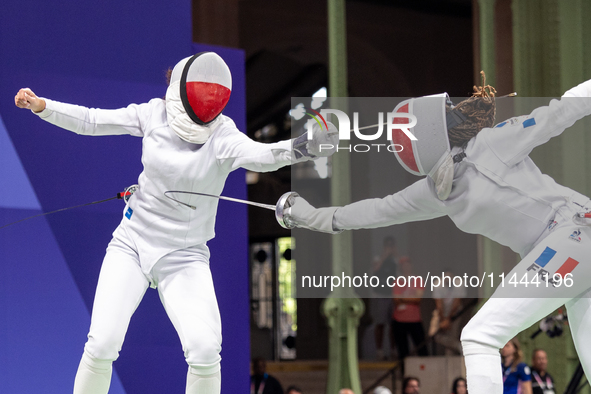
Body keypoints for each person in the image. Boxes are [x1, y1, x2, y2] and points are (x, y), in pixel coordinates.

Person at [14, 52, 337, 394]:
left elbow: (262, 155)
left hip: (185, 256)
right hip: (132, 244)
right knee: (102, 343)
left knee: (204, 349)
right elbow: (93, 121)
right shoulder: (154, 113)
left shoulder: (223, 135)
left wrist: (301, 147)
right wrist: (42, 106)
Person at [286, 74, 591, 394]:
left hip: (573, 231)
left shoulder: (493, 142)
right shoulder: (436, 191)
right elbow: (376, 211)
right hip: (563, 252)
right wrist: (307, 217)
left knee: (480, 335)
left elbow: (559, 112)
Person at [391, 257, 428, 362]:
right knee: (403, 351)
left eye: (408, 264)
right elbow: (396, 299)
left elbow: (418, 299)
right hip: (399, 319)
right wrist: (409, 298)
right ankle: (404, 375)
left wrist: (403, 298)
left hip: (415, 319)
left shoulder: (418, 280)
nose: (406, 266)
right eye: (404, 264)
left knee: (422, 348)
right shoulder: (397, 281)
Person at [372, 236, 398, 360]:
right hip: (381, 294)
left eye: (391, 245)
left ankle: (393, 350)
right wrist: (385, 255)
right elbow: (375, 269)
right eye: (387, 245)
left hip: (393, 294)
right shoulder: (378, 258)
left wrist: (394, 255)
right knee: (380, 323)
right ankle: (380, 351)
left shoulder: (396, 259)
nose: (389, 248)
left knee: (393, 324)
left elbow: (403, 270)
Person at [431, 269, 466, 355]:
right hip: (442, 312)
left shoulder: (459, 283)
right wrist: (443, 320)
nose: (448, 279)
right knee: (434, 334)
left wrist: (449, 319)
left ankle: (450, 358)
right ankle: (458, 346)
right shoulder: (437, 284)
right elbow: (439, 304)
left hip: (455, 312)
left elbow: (456, 303)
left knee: (452, 336)